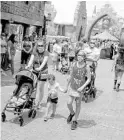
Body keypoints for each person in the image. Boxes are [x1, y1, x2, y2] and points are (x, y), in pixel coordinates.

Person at [65, 50, 91, 130]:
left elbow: (89, 79)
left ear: (84, 57)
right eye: (79, 55)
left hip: (80, 89)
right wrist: (66, 86)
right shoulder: (73, 64)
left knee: (78, 104)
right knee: (69, 103)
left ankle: (75, 121)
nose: (80, 57)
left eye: (82, 56)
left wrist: (83, 87)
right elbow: (71, 75)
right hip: (72, 87)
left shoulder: (87, 66)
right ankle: (72, 113)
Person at [26, 40, 49, 109]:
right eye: (39, 45)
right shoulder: (34, 52)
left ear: (44, 46)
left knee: (40, 88)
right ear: (37, 46)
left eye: (41, 45)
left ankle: (39, 102)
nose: (40, 47)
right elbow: (31, 60)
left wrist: (40, 68)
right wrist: (28, 66)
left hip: (43, 71)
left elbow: (44, 61)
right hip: (34, 71)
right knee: (33, 86)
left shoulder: (46, 52)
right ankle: (32, 101)